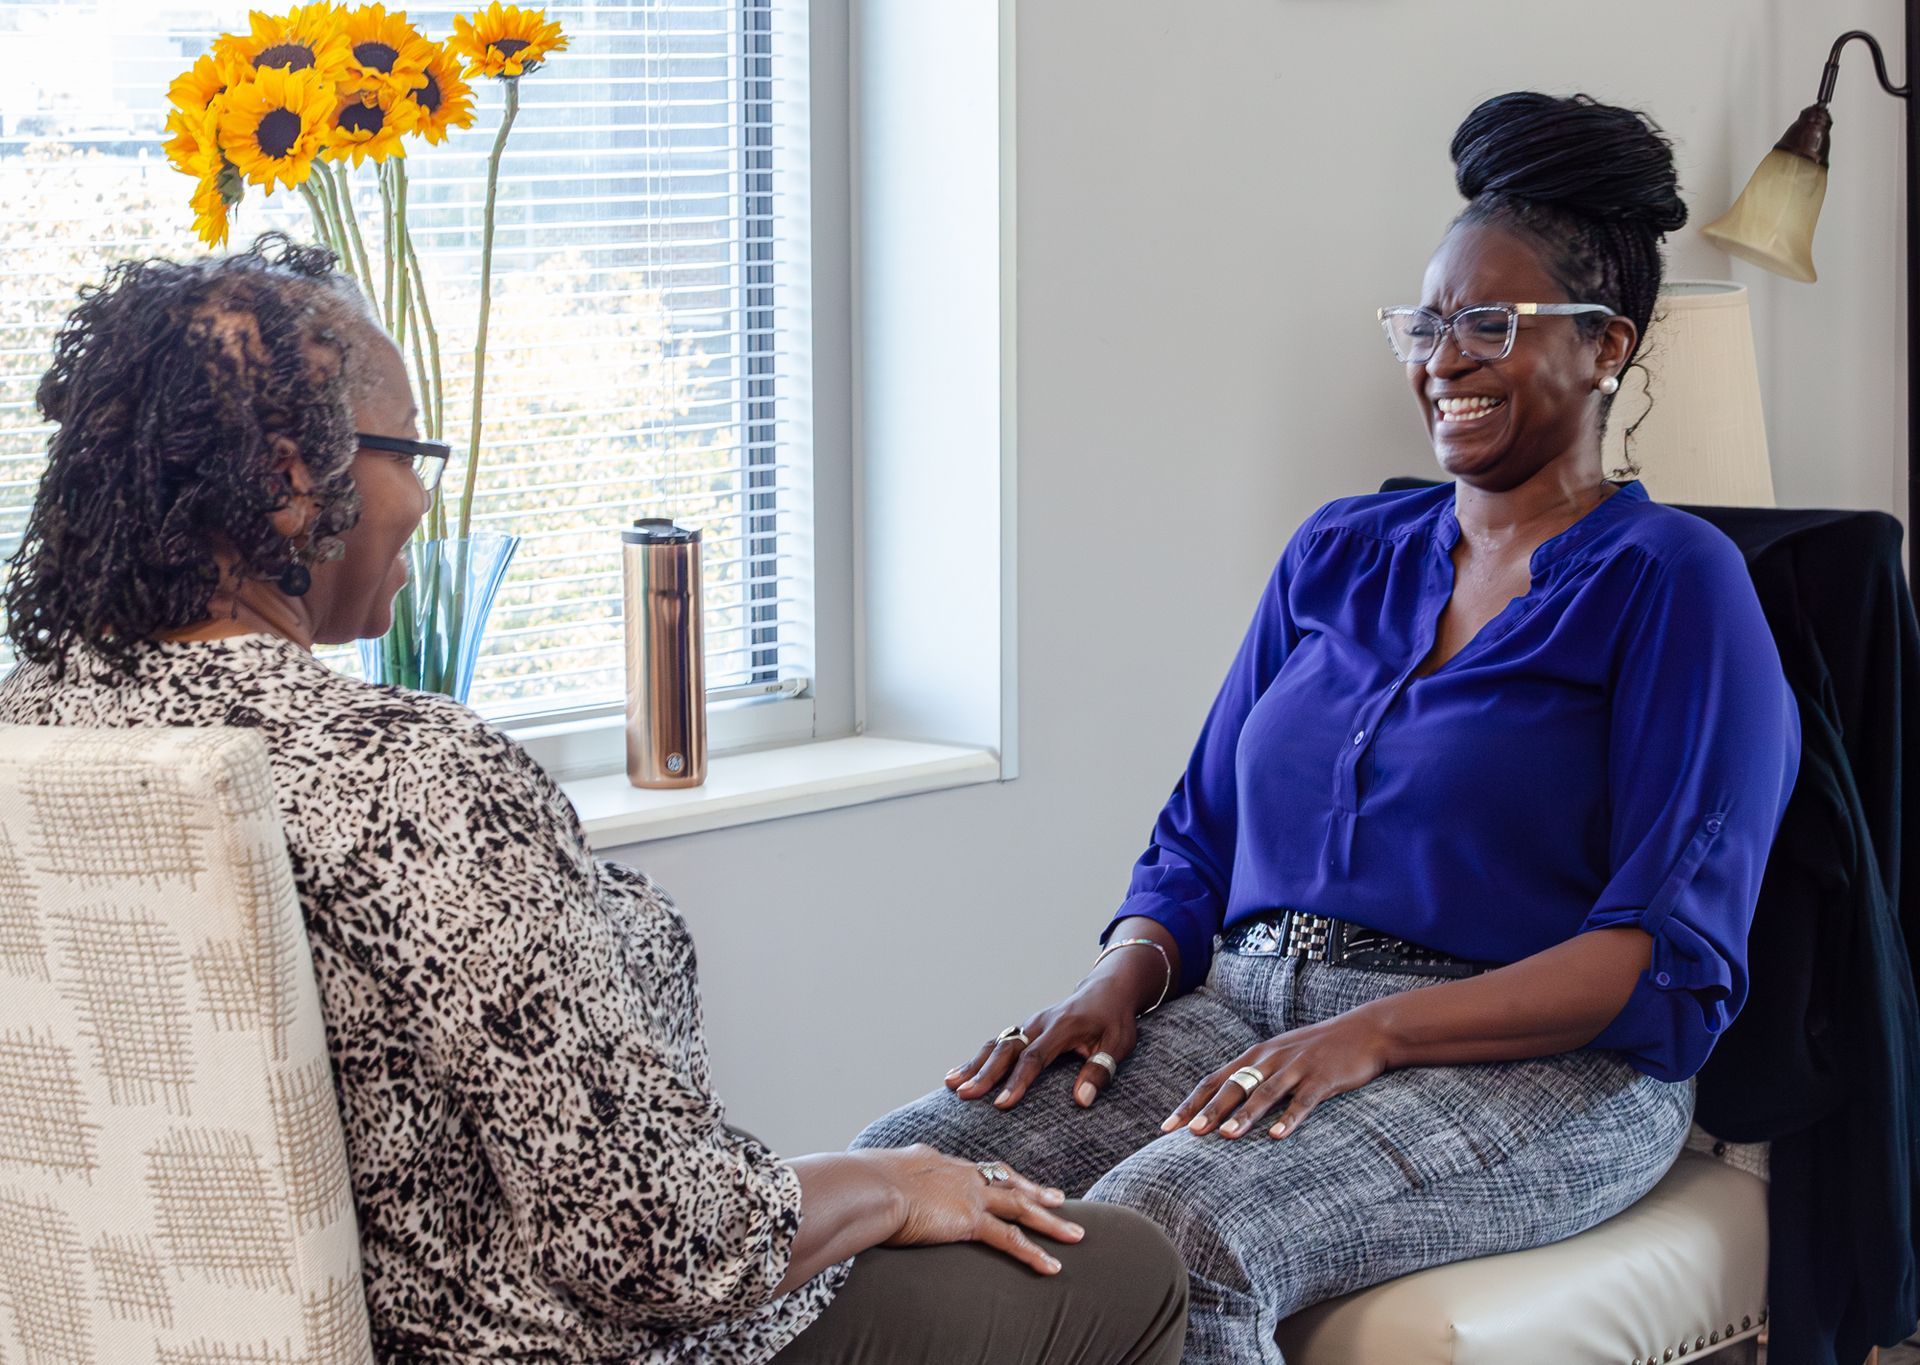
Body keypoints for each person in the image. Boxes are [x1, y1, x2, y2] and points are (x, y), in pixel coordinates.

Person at [0, 236, 1188, 1365]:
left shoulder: (35, 727)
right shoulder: (407, 773)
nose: (422, 500)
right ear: (292, 475)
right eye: (409, 453)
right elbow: (656, 1245)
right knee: (1125, 1264)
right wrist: (887, 1183)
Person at [851, 91, 1803, 1363]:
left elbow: (1656, 960)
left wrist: (1374, 1033)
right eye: (1427, 324)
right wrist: (1119, 975)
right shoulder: (1340, 552)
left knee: (1174, 1230)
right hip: (1245, 1007)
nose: (1443, 358)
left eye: (1488, 324)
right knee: (900, 1179)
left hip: (1550, 1066)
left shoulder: (1675, 583)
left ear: (1606, 346)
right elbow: (1198, 838)